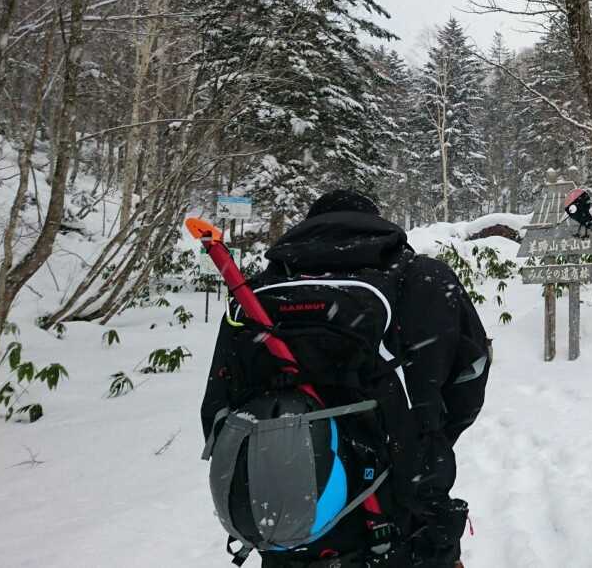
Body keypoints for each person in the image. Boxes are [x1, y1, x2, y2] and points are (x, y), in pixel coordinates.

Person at [200, 189, 491, 568]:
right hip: (405, 516)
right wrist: (421, 435)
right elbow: (469, 379)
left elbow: (218, 410)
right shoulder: (425, 280)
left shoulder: (252, 295)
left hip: (289, 524)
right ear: (377, 223)